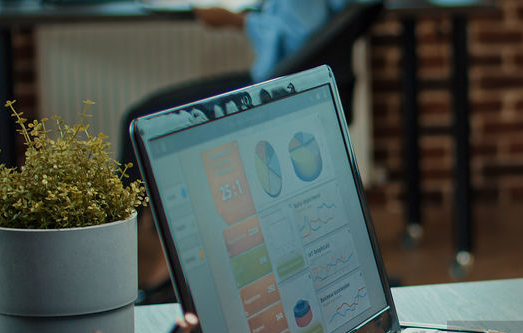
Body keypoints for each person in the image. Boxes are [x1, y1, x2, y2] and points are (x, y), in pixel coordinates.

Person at [121, 0, 352, 297]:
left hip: (279, 84)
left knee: (138, 121)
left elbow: (297, 33)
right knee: (144, 114)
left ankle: (124, 262)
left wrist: (237, 21)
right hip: (284, 78)